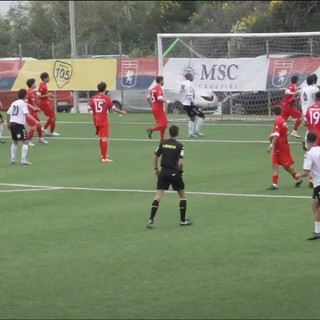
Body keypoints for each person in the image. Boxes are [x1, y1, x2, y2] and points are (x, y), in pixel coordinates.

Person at [146, 125, 192, 229]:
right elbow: (180, 163)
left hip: (163, 172)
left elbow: (155, 156)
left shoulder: (162, 143)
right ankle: (183, 220)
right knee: (182, 196)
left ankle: (151, 219)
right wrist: (180, 172)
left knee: (158, 196)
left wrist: (155, 169)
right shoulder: (180, 146)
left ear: (169, 133)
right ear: (177, 133)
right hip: (174, 173)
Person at [89, 81, 127, 163]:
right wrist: (122, 112)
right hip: (103, 120)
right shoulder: (106, 98)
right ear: (105, 89)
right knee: (105, 138)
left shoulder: (94, 98)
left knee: (101, 137)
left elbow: (90, 107)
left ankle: (103, 154)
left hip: (96, 120)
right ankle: (104, 158)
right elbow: (113, 109)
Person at [267, 105, 303, 190]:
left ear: (273, 113)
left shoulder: (278, 121)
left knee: (286, 167)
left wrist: (271, 145)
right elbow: (284, 133)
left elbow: (276, 135)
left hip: (282, 148)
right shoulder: (282, 120)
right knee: (274, 165)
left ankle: (298, 178)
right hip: (280, 147)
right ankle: (274, 184)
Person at [296, 132, 320, 240]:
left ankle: (317, 231)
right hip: (316, 185)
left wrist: (297, 175)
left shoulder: (309, 154)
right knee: (314, 206)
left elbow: (306, 172)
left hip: (319, 184)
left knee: (317, 207)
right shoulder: (319, 149)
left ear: (306, 141)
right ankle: (317, 231)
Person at [6, 89, 41, 165]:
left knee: (15, 141)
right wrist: (36, 121)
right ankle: (23, 160)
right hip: (19, 124)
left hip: (12, 123)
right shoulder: (23, 104)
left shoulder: (14, 103)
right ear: (25, 95)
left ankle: (12, 159)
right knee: (25, 141)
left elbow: (8, 113)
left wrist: (8, 123)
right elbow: (27, 114)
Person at [179, 72, 205, 138]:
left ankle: (190, 133)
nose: (193, 77)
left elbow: (180, 91)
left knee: (192, 118)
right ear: (189, 77)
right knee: (202, 116)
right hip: (190, 104)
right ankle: (196, 131)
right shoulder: (189, 84)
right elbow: (189, 95)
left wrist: (183, 99)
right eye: (192, 76)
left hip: (185, 103)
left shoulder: (183, 83)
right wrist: (194, 102)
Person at [304, 91, 320, 187]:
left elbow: (305, 122)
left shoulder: (310, 108)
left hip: (311, 135)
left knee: (311, 156)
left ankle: (311, 179)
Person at [26, 78, 48, 146]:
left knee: (38, 125)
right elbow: (26, 103)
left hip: (33, 112)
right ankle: (28, 141)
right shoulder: (28, 93)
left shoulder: (32, 92)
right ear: (32, 84)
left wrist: (37, 108)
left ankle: (40, 138)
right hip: (29, 113)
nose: (35, 84)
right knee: (33, 127)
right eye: (34, 83)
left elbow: (33, 103)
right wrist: (33, 108)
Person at [300, 74, 320, 151]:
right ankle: (306, 141)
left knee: (310, 126)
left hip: (304, 109)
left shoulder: (303, 89)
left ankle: (306, 141)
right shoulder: (314, 88)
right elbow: (317, 93)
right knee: (312, 126)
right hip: (311, 109)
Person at [146, 75, 169, 140]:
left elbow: (147, 98)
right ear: (161, 81)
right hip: (159, 109)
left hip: (155, 108)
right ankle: (151, 129)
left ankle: (162, 139)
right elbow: (159, 98)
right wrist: (166, 101)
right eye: (163, 80)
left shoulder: (152, 89)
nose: (163, 82)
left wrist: (152, 106)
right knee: (164, 124)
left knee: (162, 124)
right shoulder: (159, 88)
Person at [38, 72, 59, 136]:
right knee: (53, 117)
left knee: (53, 117)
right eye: (48, 77)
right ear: (44, 78)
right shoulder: (42, 85)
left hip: (46, 102)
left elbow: (44, 95)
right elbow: (39, 96)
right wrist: (48, 95)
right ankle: (48, 130)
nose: (49, 78)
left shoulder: (44, 85)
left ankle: (47, 130)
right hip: (44, 104)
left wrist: (51, 96)